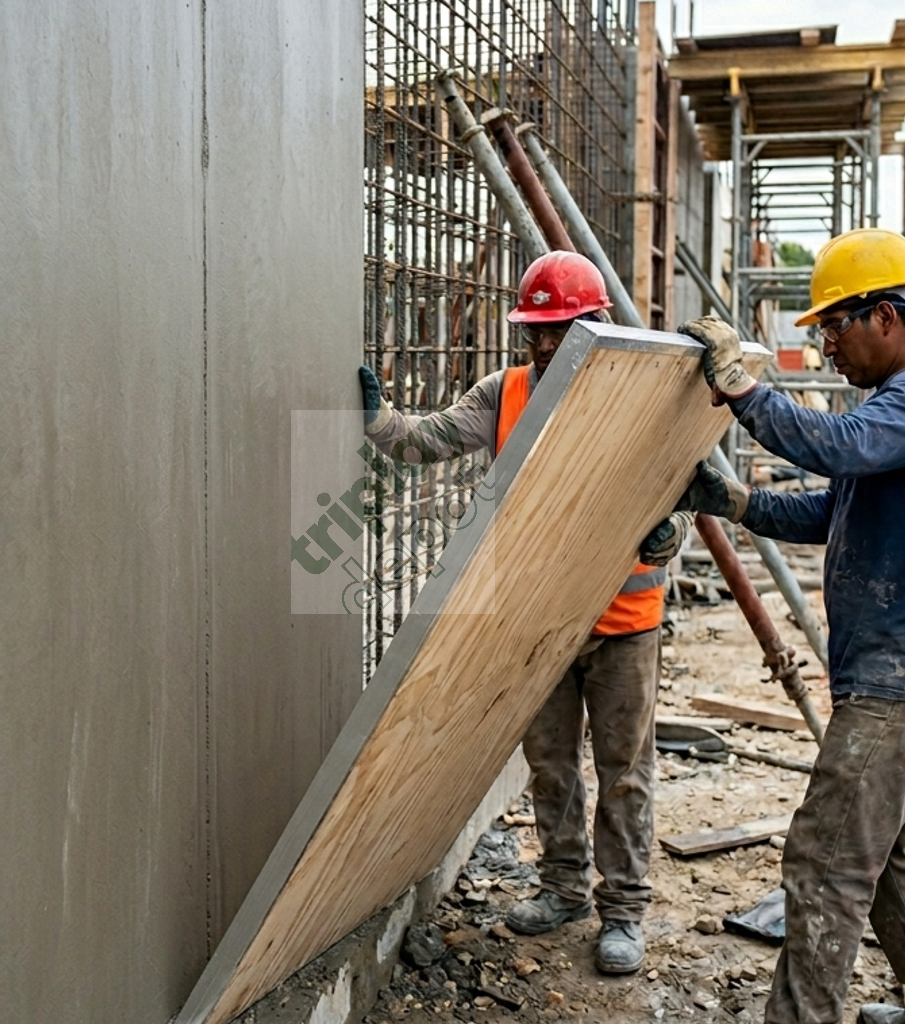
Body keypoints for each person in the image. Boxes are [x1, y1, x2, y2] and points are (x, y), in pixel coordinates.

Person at [360, 251, 691, 975]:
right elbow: (427, 440)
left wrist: (672, 534)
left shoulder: (632, 395)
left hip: (621, 621)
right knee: (550, 763)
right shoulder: (504, 393)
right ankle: (564, 888)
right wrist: (382, 422)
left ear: (595, 321)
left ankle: (625, 910)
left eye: (561, 328)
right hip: (537, 619)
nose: (545, 344)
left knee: (624, 769)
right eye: (536, 330)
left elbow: (678, 483)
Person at [642, 227, 905, 1023]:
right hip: (885, 676)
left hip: (893, 690)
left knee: (825, 865)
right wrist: (738, 502)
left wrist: (743, 391)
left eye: (835, 325)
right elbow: (834, 508)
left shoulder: (894, 411)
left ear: (887, 317)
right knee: (889, 864)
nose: (826, 344)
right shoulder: (886, 415)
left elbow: (836, 447)